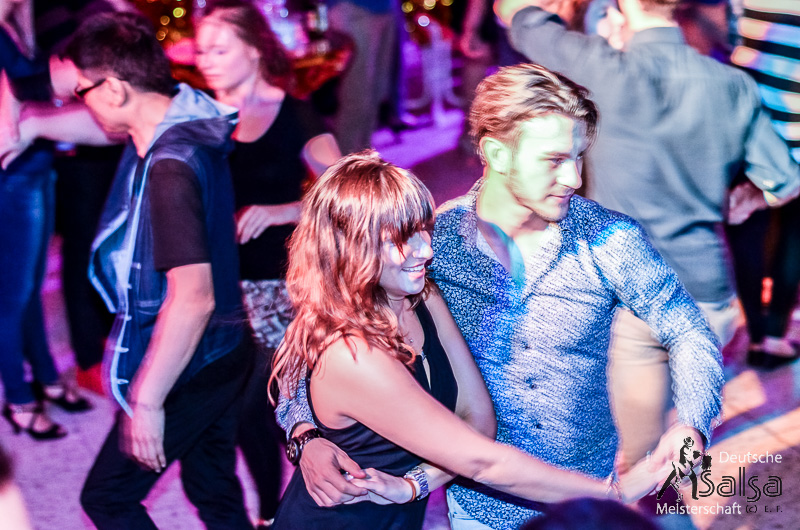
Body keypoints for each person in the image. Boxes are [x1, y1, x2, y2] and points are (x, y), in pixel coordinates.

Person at [279, 64, 724, 529]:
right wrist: (305, 434)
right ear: (497, 153)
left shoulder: (607, 239)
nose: (573, 177)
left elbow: (688, 330)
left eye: (578, 157)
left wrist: (691, 421)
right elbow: (309, 340)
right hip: (478, 509)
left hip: (582, 501)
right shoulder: (432, 241)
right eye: (554, 159)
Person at [494, 0, 800, 474]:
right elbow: (786, 180)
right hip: (707, 299)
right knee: (672, 437)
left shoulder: (598, 68)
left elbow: (524, 20)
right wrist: (754, 195)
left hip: (632, 303)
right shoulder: (731, 83)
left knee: (644, 465)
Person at [8, 12, 254, 528]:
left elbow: (193, 297)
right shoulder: (183, 113)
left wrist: (147, 400)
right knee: (212, 484)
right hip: (227, 346)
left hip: (192, 360)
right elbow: (101, 128)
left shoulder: (170, 168)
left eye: (84, 93)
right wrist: (31, 124)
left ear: (116, 89)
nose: (83, 104)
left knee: (108, 498)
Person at [194, 1, 341, 527]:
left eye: (218, 49)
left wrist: (280, 210)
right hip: (216, 286)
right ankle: (268, 513)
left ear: (254, 50)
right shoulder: (199, 117)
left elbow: (344, 190)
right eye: (201, 50)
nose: (205, 60)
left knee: (276, 403)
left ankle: (300, 504)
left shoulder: (295, 112)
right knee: (239, 411)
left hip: (281, 288)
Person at [0, 0, 89, 442]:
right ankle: (19, 400)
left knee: (30, 290)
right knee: (13, 297)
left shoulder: (17, 27)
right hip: (12, 175)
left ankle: (47, 378)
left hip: (38, 165)